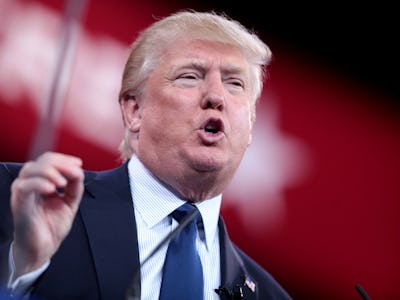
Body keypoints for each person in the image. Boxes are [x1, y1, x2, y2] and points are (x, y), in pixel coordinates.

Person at [0, 9, 292, 300]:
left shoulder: (269, 295)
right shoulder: (21, 201)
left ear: (250, 124)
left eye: (235, 84)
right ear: (134, 111)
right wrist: (22, 270)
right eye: (190, 77)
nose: (216, 96)